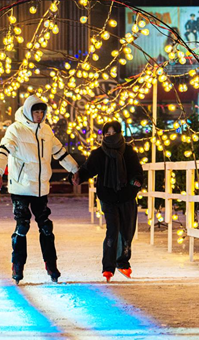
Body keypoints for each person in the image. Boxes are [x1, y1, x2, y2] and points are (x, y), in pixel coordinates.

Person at [0, 95, 79, 284]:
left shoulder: (46, 131)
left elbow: (60, 152)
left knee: (46, 227)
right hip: (21, 187)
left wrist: (75, 170)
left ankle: (51, 265)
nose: (39, 115)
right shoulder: (15, 129)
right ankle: (17, 265)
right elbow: (3, 151)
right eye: (35, 111)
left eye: (41, 112)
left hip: (41, 188)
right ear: (28, 111)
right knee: (22, 226)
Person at [73, 121, 143, 282]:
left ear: (120, 134)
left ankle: (123, 261)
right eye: (107, 134)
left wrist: (136, 181)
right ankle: (108, 267)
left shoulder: (129, 152)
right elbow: (88, 169)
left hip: (126, 196)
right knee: (112, 230)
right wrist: (78, 177)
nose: (110, 137)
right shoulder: (99, 154)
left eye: (113, 133)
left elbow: (137, 171)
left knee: (127, 231)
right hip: (108, 197)